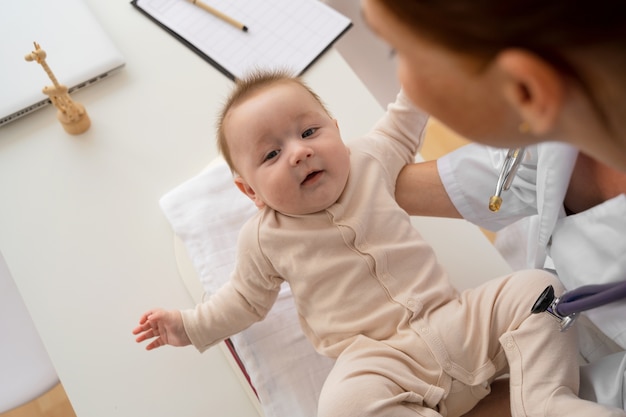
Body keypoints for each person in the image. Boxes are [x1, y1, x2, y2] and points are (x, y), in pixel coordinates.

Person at [133, 70, 625, 417]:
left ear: (337, 133)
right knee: (341, 405)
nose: (300, 151)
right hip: (381, 361)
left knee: (537, 290)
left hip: (455, 323)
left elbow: (405, 118)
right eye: (271, 153)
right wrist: (188, 326)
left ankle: (546, 401)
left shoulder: (370, 159)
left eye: (309, 131)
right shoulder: (264, 240)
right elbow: (242, 300)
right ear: (249, 192)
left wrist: (421, 80)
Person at [359, 0, 626, 415]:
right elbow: (525, 165)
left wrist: (514, 398)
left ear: (525, 89)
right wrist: (345, 193)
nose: (401, 78)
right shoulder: (585, 89)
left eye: (401, 53)